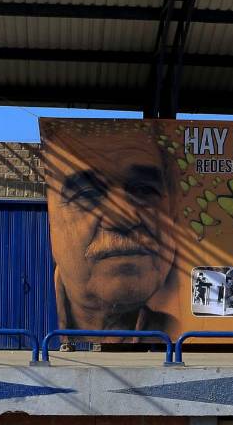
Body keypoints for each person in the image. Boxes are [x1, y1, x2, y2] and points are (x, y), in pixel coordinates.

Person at [41, 119, 177, 334]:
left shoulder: (178, 330)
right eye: (86, 194)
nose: (123, 219)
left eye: (143, 190)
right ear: (52, 222)